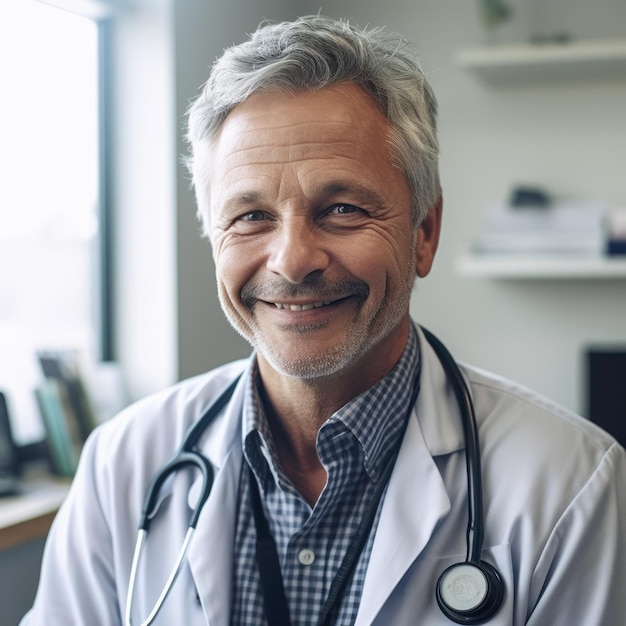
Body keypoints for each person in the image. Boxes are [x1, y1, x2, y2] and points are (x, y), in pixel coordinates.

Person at [22, 15, 626, 626]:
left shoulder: (571, 484)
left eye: (341, 208)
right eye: (251, 215)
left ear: (424, 232)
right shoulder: (122, 465)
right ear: (213, 237)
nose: (292, 261)